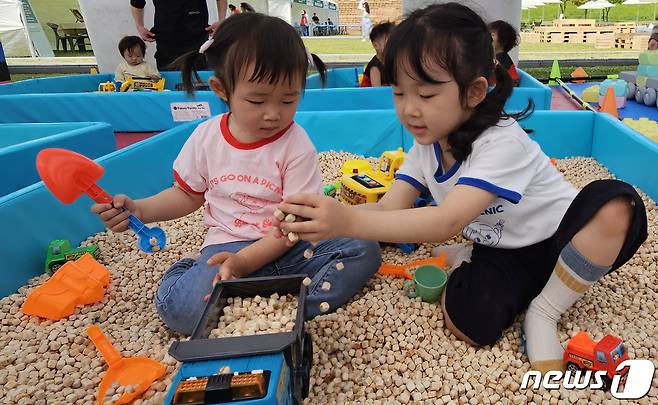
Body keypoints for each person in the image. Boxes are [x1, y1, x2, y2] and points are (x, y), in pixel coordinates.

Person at [275, 3, 647, 374]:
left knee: (619, 203)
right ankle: (467, 259)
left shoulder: (501, 141)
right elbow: (390, 209)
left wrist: (347, 222)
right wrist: (323, 216)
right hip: (501, 250)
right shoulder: (427, 145)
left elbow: (445, 221)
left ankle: (545, 312)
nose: (409, 110)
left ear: (474, 92)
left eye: (426, 95)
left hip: (562, 237)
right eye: (399, 93)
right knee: (468, 325)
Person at [92, 12, 379, 335]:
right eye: (257, 100)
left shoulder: (296, 145)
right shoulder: (206, 137)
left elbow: (292, 226)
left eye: (288, 99)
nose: (274, 114)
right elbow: (187, 194)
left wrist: (248, 265)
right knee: (182, 311)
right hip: (229, 249)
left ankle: (292, 312)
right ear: (221, 89)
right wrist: (140, 209)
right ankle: (200, 275)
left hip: (291, 247)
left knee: (364, 248)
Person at [130, 0, 227, 71]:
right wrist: (139, 26)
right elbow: (137, 2)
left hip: (197, 39)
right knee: (170, 86)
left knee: (200, 85)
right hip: (167, 42)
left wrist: (222, 20)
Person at [360, 21, 394, 87]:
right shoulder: (375, 67)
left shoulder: (391, 62)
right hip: (367, 96)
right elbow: (376, 91)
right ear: (376, 45)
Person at [489, 20, 520, 87]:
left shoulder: (502, 58)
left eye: (492, 35)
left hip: (510, 91)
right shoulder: (494, 57)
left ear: (503, 41)